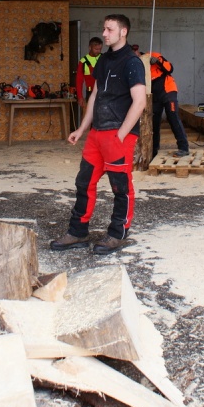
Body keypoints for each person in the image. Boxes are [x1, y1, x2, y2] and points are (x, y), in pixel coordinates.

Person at [50, 14, 146, 255]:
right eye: (104, 28)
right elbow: (95, 95)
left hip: (118, 135)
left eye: (109, 29)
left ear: (123, 32)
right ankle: (78, 232)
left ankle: (117, 234)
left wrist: (121, 134)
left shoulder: (132, 62)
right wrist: (82, 129)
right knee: (84, 182)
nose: (104, 34)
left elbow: (140, 101)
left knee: (120, 187)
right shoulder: (103, 60)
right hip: (97, 134)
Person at [149, 51, 189, 158]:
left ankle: (183, 147)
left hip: (168, 90)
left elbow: (170, 68)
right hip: (154, 94)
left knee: (172, 116)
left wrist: (158, 62)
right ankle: (154, 150)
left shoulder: (152, 55)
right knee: (154, 122)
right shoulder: (135, 64)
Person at [75, 36, 103, 109]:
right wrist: (80, 97)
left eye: (100, 49)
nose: (98, 51)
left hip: (103, 92)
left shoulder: (104, 58)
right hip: (90, 93)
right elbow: (79, 81)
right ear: (90, 47)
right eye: (96, 49)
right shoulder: (83, 62)